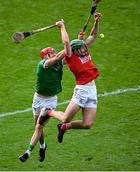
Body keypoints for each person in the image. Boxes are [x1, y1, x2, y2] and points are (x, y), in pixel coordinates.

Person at [19, 20, 71, 162]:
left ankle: (28, 152)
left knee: (38, 126)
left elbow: (67, 51)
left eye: (54, 51)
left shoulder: (58, 62)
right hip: (37, 98)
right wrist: (61, 26)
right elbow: (62, 54)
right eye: (51, 52)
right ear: (46, 56)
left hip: (50, 100)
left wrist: (78, 39)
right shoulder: (44, 64)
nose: (54, 53)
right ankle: (43, 146)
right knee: (37, 126)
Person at [47, 12, 102, 143]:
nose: (85, 50)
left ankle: (64, 127)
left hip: (92, 89)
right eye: (82, 48)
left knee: (87, 124)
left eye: (84, 47)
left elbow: (93, 35)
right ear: (75, 50)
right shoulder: (70, 56)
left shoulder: (82, 48)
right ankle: (48, 111)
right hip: (82, 90)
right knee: (66, 117)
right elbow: (66, 41)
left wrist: (96, 21)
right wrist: (62, 26)